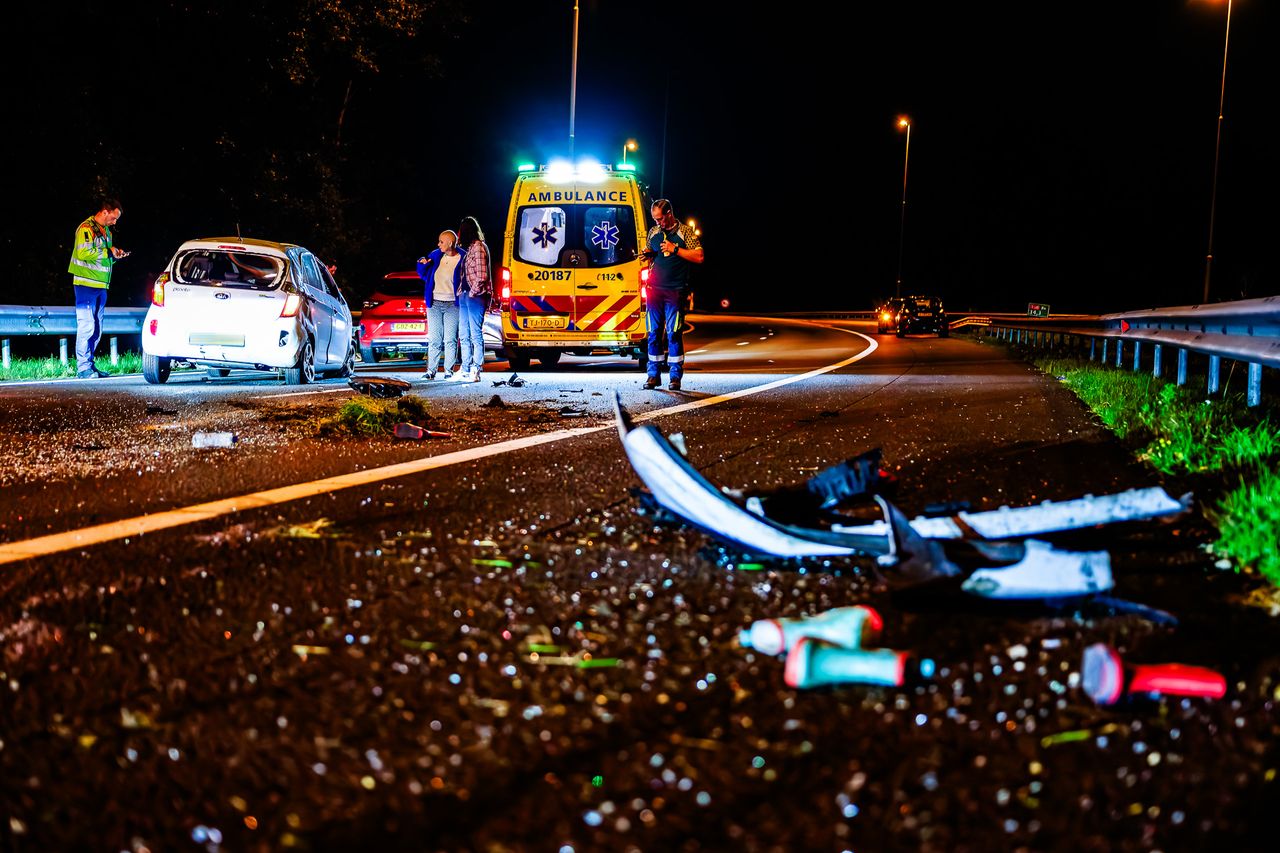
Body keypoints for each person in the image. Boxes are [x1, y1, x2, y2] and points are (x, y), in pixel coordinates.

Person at [642, 198, 703, 391]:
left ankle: (675, 376)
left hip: (675, 291)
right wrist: (647, 253)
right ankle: (653, 375)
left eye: (660, 219)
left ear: (669, 213)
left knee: (673, 333)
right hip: (653, 290)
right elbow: (652, 253)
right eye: (655, 219)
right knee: (653, 333)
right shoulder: (653, 232)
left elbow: (699, 256)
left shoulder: (685, 232)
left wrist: (674, 249)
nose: (657, 223)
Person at [67, 198, 128, 378]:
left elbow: (100, 258)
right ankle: (83, 368)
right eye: (114, 218)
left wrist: (115, 256)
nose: (115, 222)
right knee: (86, 326)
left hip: (100, 285)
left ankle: (90, 365)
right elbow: (83, 253)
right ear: (105, 212)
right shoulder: (87, 228)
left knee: (96, 328)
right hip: (85, 285)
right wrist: (109, 252)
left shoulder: (106, 232)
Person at [417, 231, 466, 379]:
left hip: (453, 304)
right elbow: (423, 274)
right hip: (435, 303)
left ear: (450, 243)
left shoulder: (463, 257)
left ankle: (448, 371)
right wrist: (422, 263)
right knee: (434, 339)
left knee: (450, 339)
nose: (438, 244)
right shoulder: (436, 255)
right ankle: (431, 371)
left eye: (441, 242)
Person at [455, 216, 491, 383]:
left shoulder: (478, 248)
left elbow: (482, 275)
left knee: (475, 333)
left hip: (475, 296)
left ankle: (476, 367)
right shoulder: (470, 248)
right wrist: (461, 291)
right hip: (465, 294)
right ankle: (465, 367)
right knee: (464, 334)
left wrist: (472, 292)